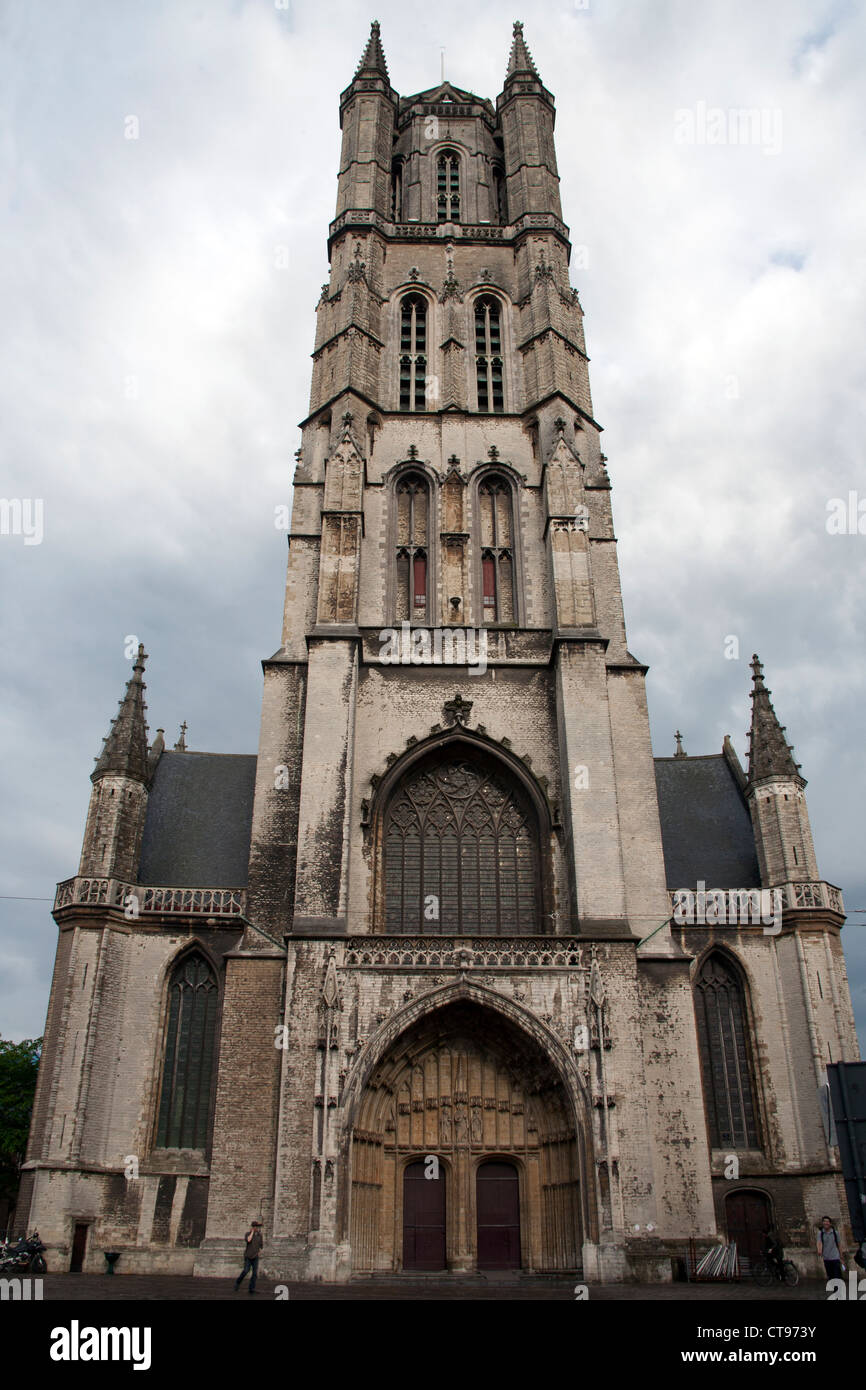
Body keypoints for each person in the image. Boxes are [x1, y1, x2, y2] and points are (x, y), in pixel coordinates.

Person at [234, 1220, 263, 1293]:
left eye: (257, 1227)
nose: (257, 1228)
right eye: (255, 1227)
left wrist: (259, 1252)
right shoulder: (248, 1234)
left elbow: (261, 1246)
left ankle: (251, 1289)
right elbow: (248, 1240)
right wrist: (252, 1232)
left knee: (254, 1274)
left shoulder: (260, 1235)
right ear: (252, 1227)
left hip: (255, 1256)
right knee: (246, 1271)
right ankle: (238, 1282)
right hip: (248, 1256)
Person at [816, 1215, 844, 1281]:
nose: (826, 1223)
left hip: (835, 1257)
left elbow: (839, 1244)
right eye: (824, 1221)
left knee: (837, 1275)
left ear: (830, 1223)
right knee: (830, 1275)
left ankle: (838, 1289)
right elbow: (819, 1242)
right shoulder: (820, 1233)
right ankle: (835, 1289)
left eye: (827, 1221)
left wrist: (841, 1255)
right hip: (826, 1257)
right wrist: (819, 1250)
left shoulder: (835, 1233)